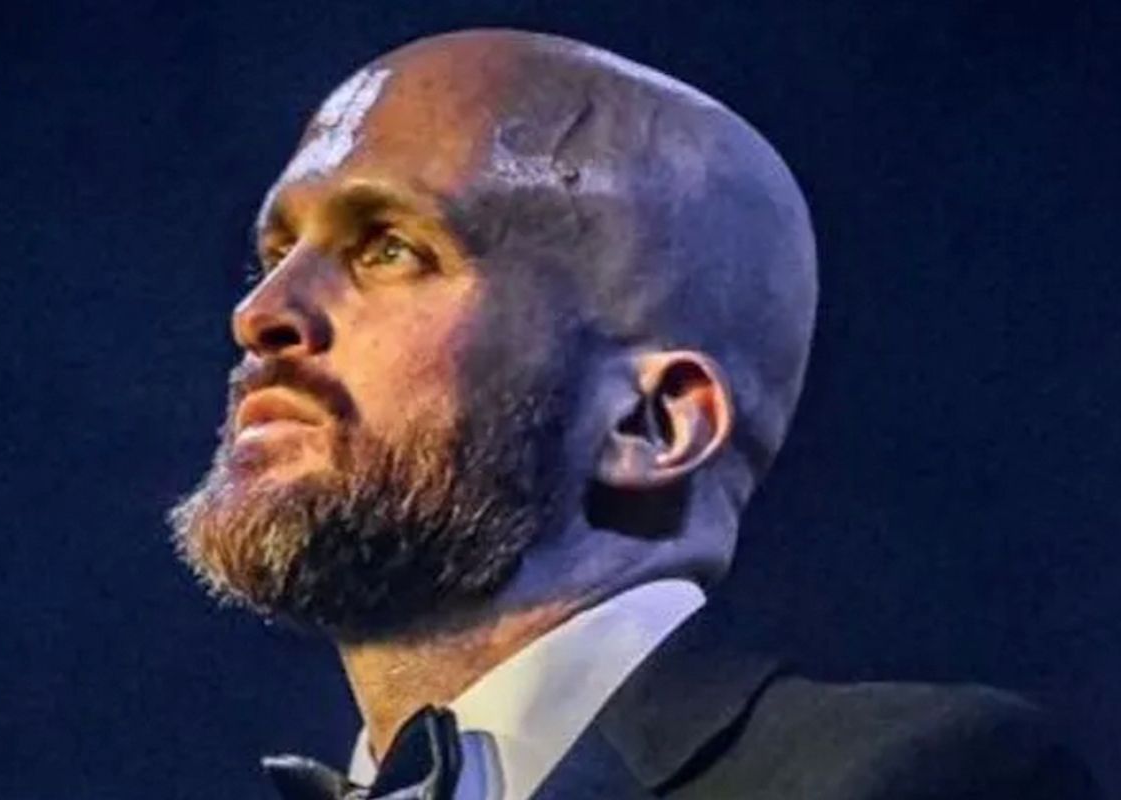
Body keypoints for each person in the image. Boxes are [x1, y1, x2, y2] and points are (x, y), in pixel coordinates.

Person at [169, 29, 1100, 800]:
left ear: (651, 424)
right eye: (276, 255)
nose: (260, 313)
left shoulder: (915, 775)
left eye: (389, 249)